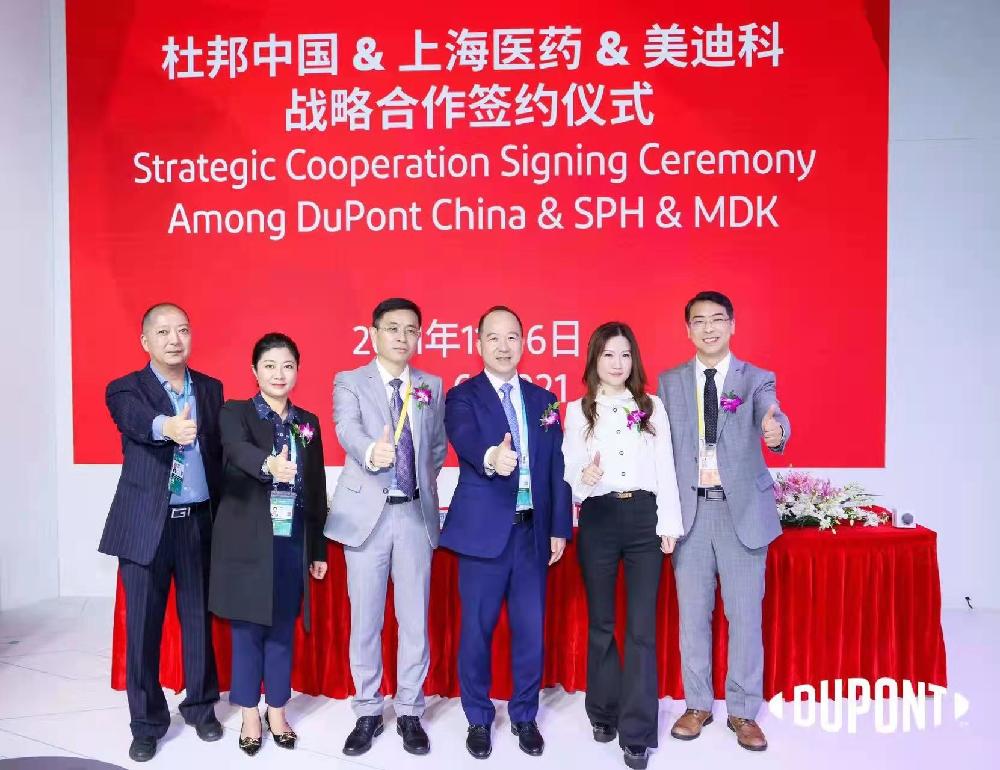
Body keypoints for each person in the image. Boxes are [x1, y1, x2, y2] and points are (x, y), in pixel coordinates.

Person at [657, 291, 790, 752]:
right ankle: (697, 705)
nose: (709, 328)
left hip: (742, 514)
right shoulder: (670, 382)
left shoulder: (756, 379)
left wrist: (776, 429)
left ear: (732, 325)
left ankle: (743, 710)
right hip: (691, 512)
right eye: (699, 321)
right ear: (687, 330)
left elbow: (774, 414)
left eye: (718, 319)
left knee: (745, 617)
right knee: (693, 616)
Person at [440, 305, 573, 760]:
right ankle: (478, 718)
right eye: (493, 338)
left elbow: (556, 467)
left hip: (532, 534)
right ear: (478, 344)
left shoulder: (544, 400)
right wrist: (491, 458)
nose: (503, 346)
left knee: (530, 632)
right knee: (476, 632)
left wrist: (558, 527)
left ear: (523, 342)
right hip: (483, 538)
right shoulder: (463, 396)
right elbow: (464, 437)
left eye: (511, 337)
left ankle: (524, 715)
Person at [99, 302, 224, 763]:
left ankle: (201, 707)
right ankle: (147, 723)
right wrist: (167, 426)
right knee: (143, 630)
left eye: (183, 330)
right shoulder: (125, 389)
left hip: (197, 522)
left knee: (198, 622)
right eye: (164, 331)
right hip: (145, 525)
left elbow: (219, 454)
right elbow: (135, 421)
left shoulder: (210, 388)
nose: (175, 339)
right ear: (145, 341)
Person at [325, 298, 447, 757]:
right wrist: (369, 452)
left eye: (411, 329)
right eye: (393, 328)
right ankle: (368, 711)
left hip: (414, 514)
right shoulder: (350, 380)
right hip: (366, 518)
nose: (402, 337)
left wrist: (419, 483)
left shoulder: (431, 385)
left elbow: (436, 447)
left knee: (414, 619)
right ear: (373, 333)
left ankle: (410, 709)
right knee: (366, 621)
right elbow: (345, 427)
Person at [562, 322, 683, 770]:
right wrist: (584, 478)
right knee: (601, 622)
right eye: (608, 355)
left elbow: (665, 466)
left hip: (644, 519)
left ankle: (637, 733)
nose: (617, 364)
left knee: (641, 629)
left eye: (625, 355)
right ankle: (602, 711)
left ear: (635, 360)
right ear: (594, 359)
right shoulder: (578, 411)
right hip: (599, 518)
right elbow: (569, 470)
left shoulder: (652, 407)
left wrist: (669, 522)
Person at [208, 333, 329, 756]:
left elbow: (316, 488)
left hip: (291, 540)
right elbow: (236, 450)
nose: (279, 374)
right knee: (246, 633)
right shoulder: (235, 413)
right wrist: (269, 464)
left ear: (298, 371)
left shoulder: (307, 422)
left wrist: (317, 549)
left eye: (288, 366)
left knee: (281, 631)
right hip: (246, 543)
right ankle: (248, 715)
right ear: (254, 371)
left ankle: (277, 711)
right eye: (270, 366)